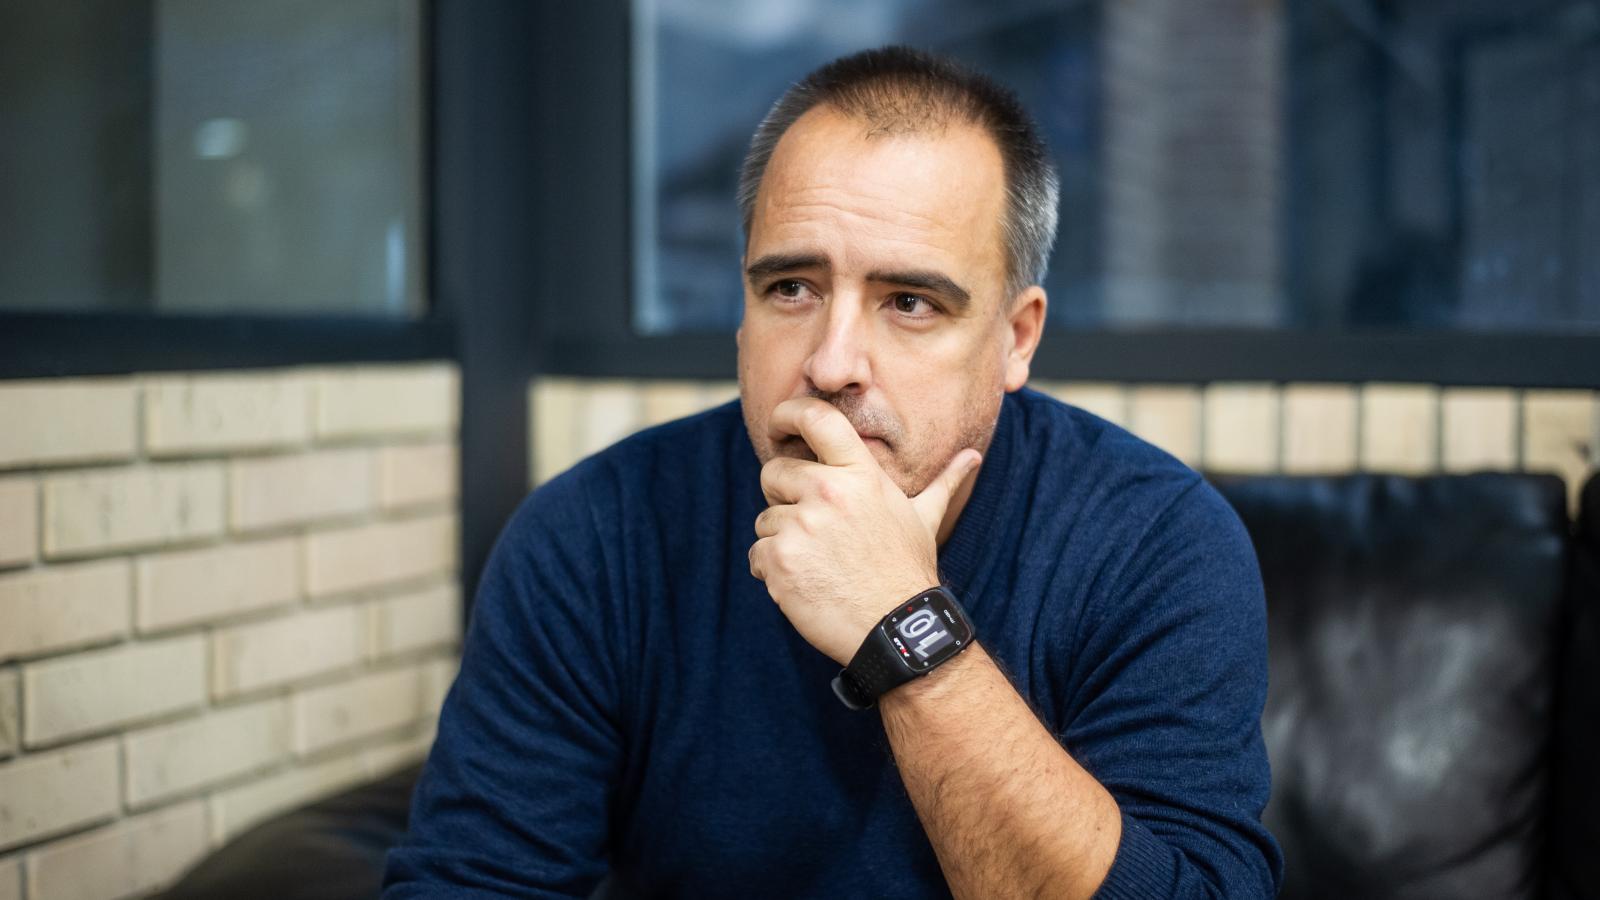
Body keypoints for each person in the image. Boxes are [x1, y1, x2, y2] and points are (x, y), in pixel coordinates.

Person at [385, 46, 1282, 898]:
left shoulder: (1158, 542)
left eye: (909, 302)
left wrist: (904, 625)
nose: (831, 362)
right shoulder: (595, 536)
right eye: (791, 289)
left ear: (1016, 338)